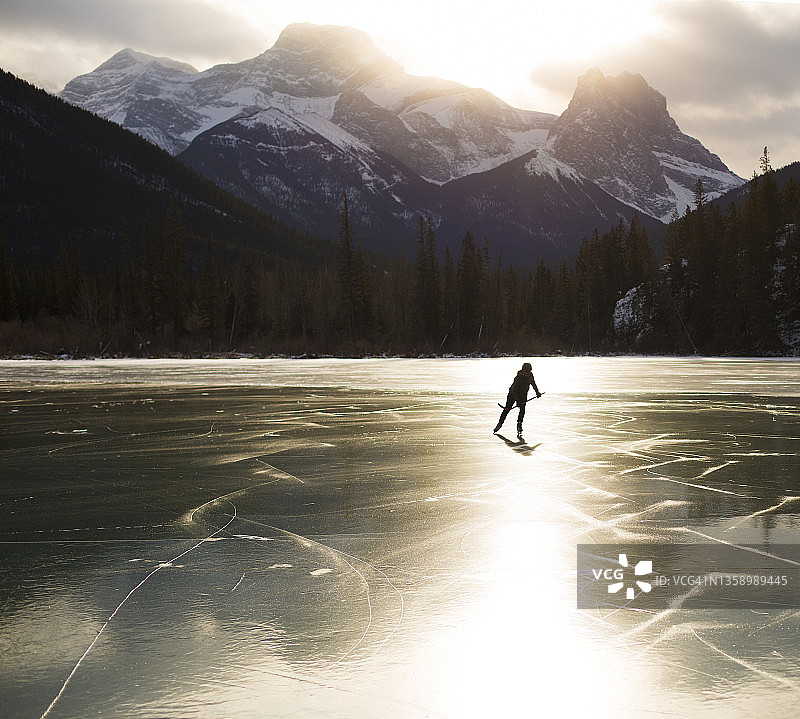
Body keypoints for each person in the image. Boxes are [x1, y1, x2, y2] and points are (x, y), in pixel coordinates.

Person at [494, 362, 541, 436]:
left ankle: (519, 424)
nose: (527, 374)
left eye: (528, 372)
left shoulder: (530, 376)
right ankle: (500, 423)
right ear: (523, 371)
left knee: (522, 410)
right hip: (513, 394)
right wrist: (517, 400)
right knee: (507, 409)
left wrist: (537, 392)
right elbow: (514, 390)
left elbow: (533, 383)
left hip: (523, 394)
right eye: (526, 372)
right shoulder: (518, 378)